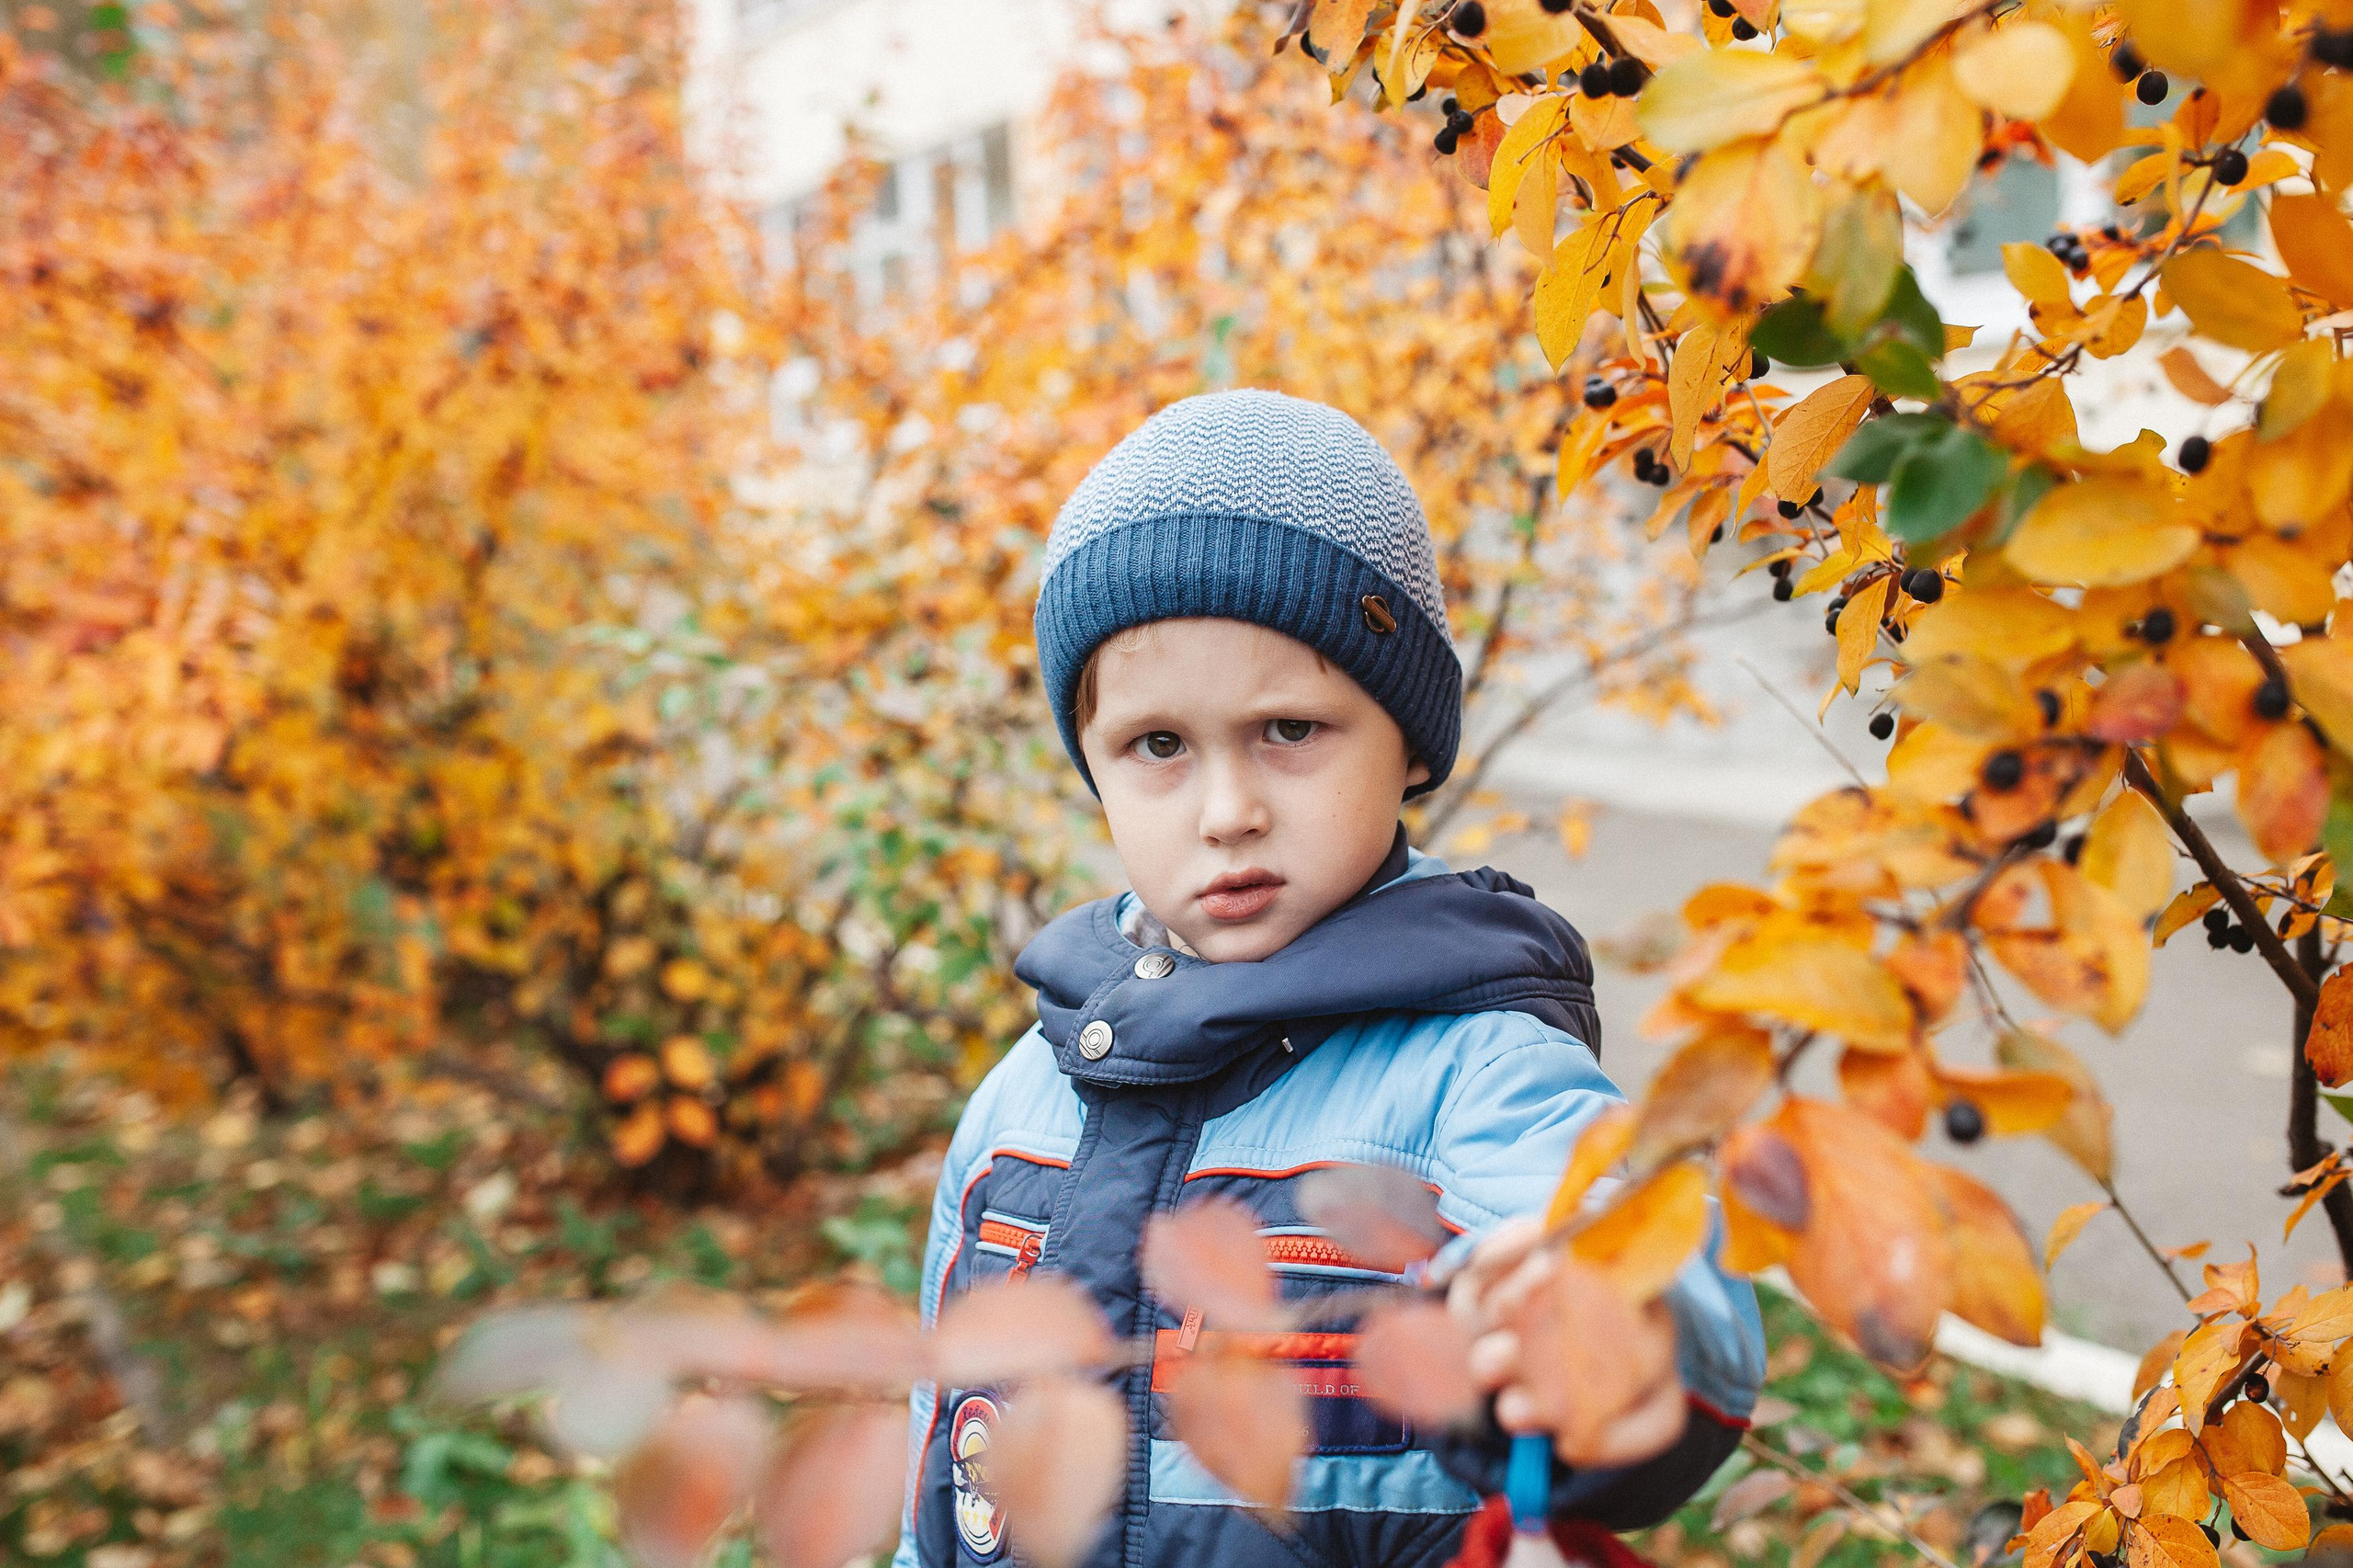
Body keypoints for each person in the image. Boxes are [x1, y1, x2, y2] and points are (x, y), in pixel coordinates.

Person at [892, 390, 1764, 1568]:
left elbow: (1630, 1247)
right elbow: (942, 1478)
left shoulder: (1476, 1073)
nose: (1228, 810)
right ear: (1092, 764)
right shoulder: (1020, 1100)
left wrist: (1620, 1330)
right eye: (1158, 745)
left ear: (1407, 745)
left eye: (1289, 729)